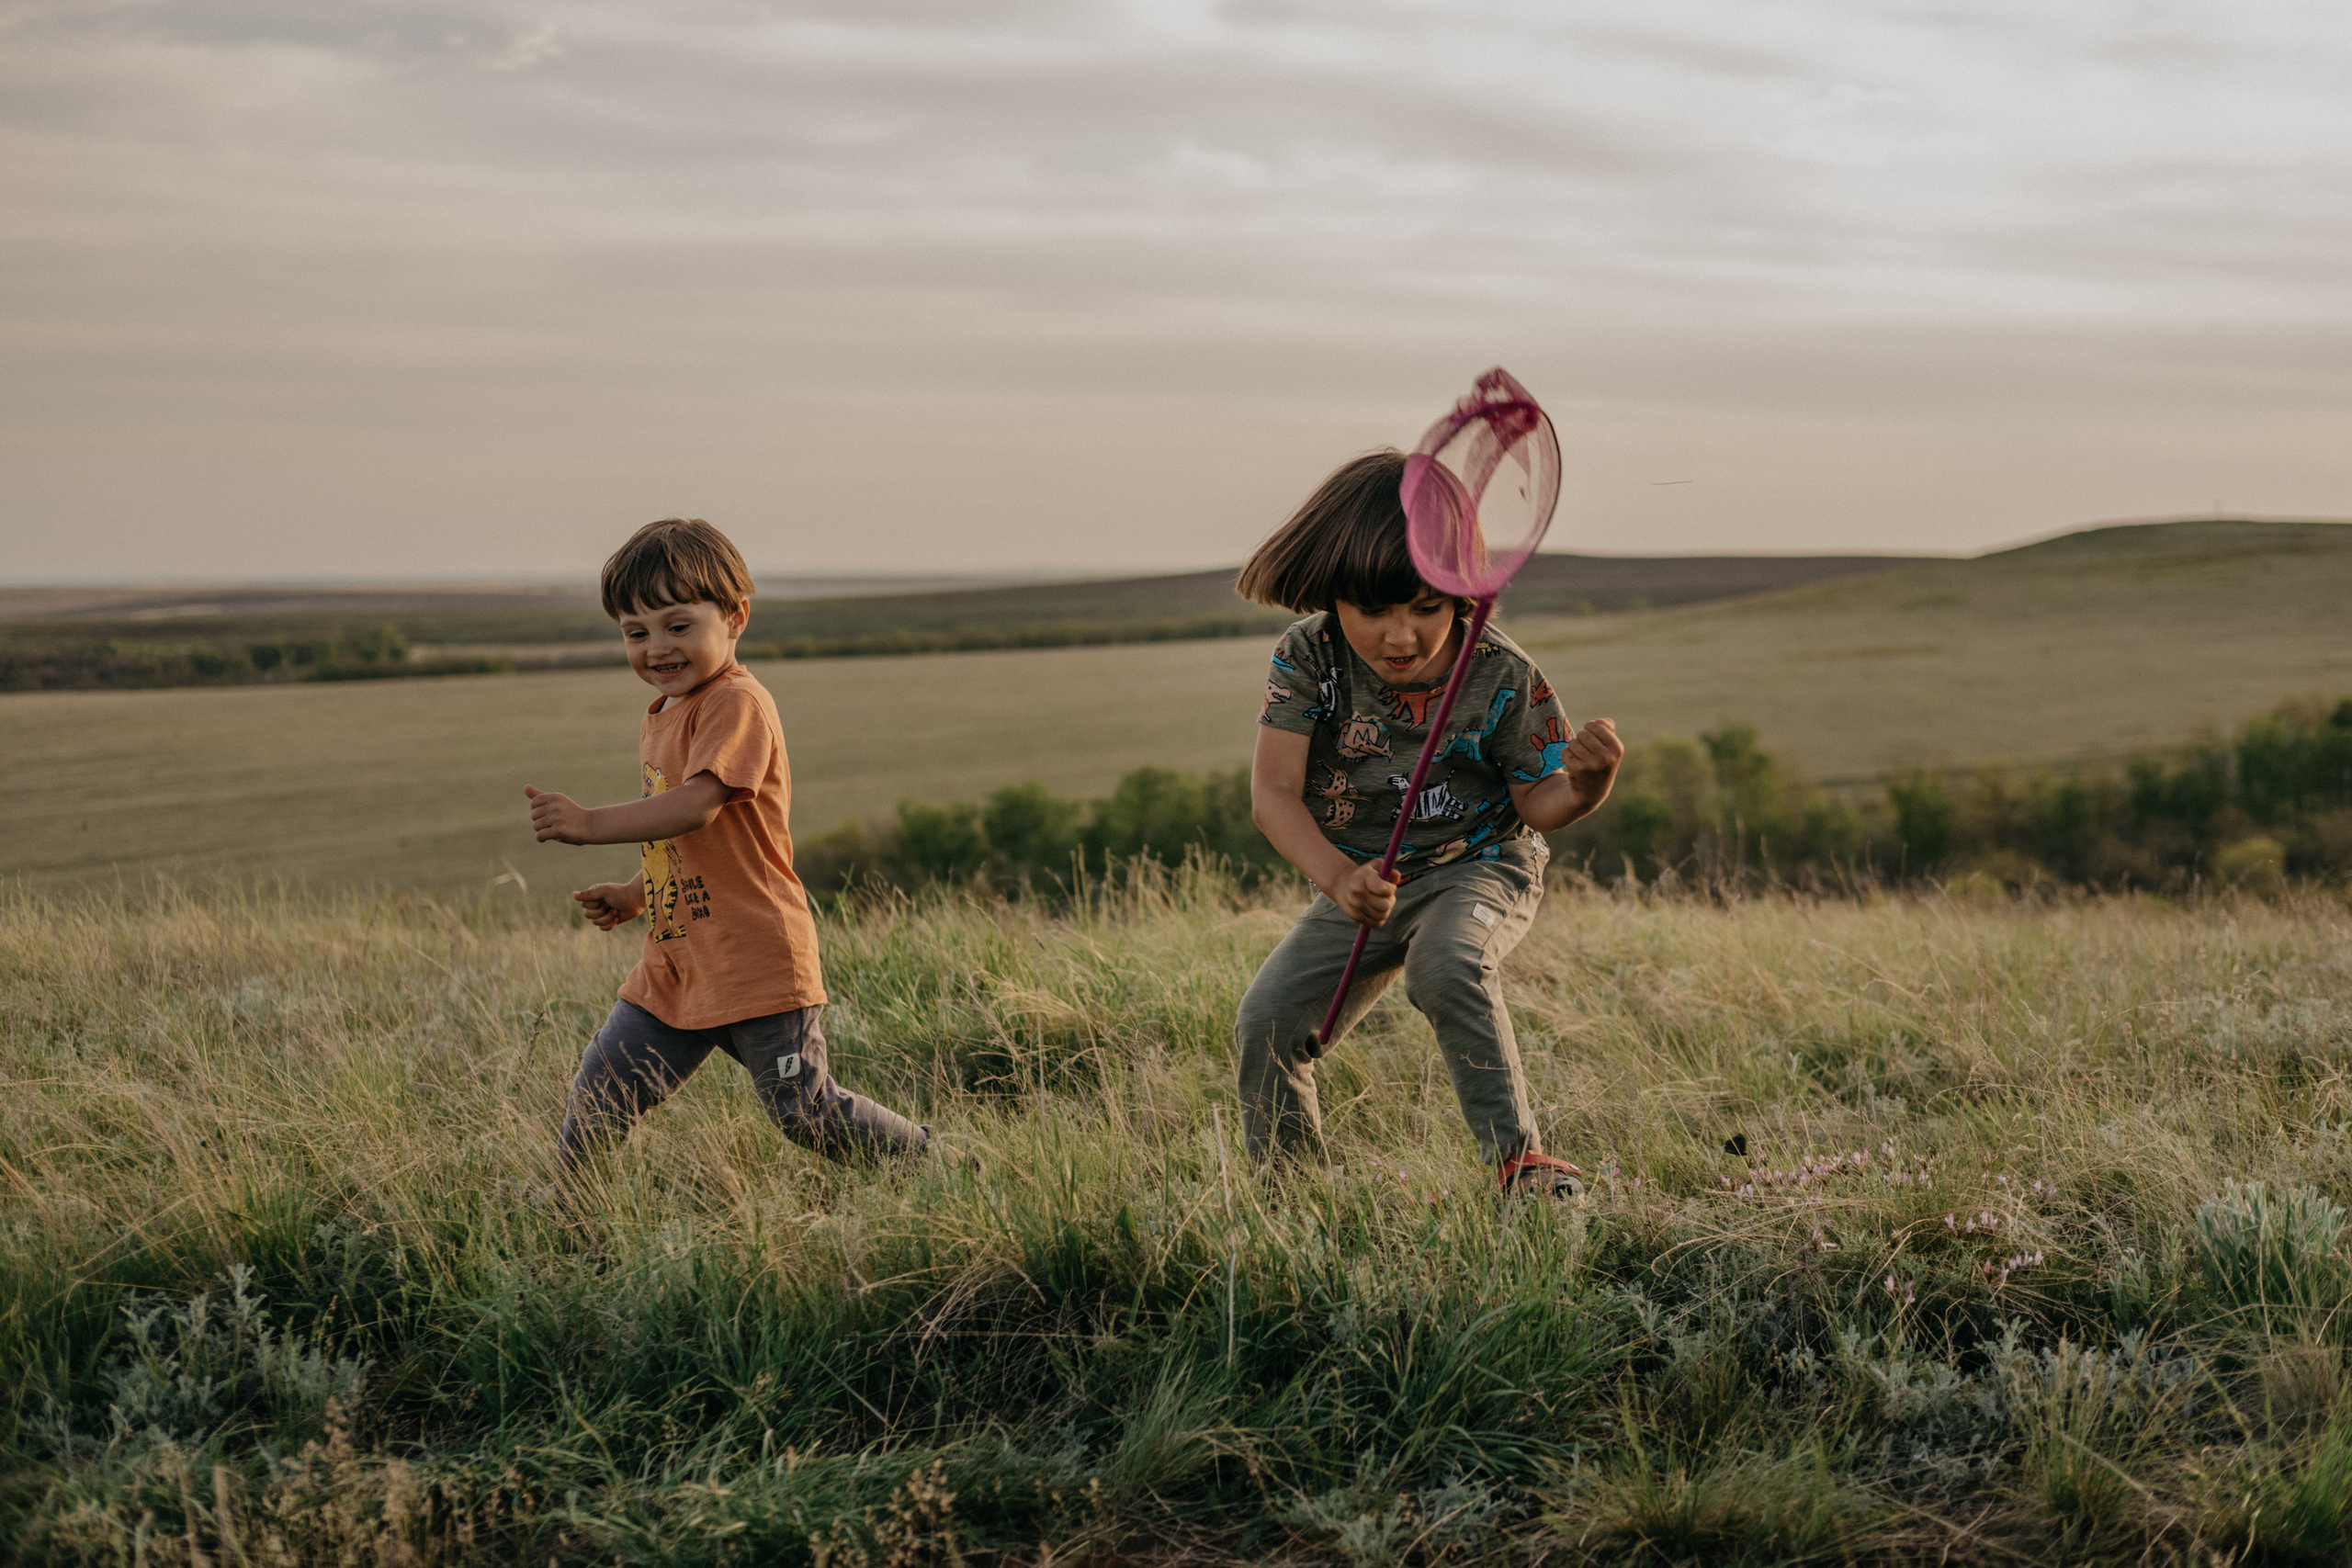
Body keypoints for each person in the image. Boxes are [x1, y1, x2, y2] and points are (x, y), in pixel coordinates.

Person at [1233, 451, 1623, 1197]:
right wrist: (1340, 879)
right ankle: (1291, 1200)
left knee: (1444, 966)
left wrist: (1587, 784)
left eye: (1424, 606)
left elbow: (1540, 803)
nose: (1401, 635)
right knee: (1269, 1020)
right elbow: (1273, 794)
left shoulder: (1502, 672)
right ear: (1332, 597)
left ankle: (1522, 1167)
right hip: (1364, 881)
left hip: (1482, 863)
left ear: (1461, 593)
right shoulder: (1306, 658)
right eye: (1372, 610)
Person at [523, 517, 944, 1179]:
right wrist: (637, 893)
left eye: (677, 625)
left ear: (736, 617)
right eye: (636, 633)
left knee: (804, 1110)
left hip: (756, 961)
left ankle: (942, 1166)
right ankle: (572, 1224)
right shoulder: (664, 712)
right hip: (679, 960)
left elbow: (697, 805)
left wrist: (586, 822)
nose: (657, 647)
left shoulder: (736, 702)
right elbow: (687, 839)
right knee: (603, 1091)